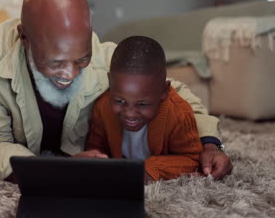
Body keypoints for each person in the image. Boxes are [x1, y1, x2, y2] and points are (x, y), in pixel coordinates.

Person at [0, 0, 232, 181]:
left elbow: (176, 95)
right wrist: (55, 172)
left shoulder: (107, 60)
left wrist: (210, 144)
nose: (69, 74)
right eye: (55, 62)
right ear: (24, 39)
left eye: (82, 59)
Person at [76, 36, 202, 183]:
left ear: (163, 91)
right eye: (120, 101)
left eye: (142, 104)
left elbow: (192, 159)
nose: (129, 113)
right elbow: (96, 149)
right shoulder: (103, 107)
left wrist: (150, 168)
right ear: (110, 81)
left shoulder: (178, 114)